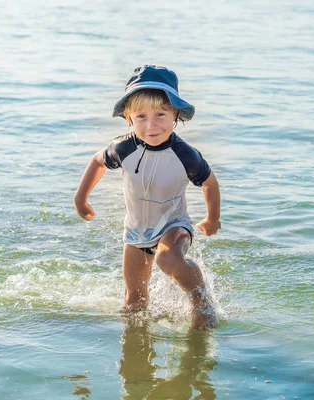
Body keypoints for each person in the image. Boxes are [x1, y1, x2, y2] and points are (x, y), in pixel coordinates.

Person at [74, 65, 220, 330]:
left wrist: (212, 218)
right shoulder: (124, 147)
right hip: (136, 233)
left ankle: (201, 301)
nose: (151, 126)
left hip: (174, 225)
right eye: (141, 116)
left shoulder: (185, 154)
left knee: (167, 259)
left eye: (160, 115)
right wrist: (81, 199)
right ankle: (137, 352)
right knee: (134, 303)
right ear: (129, 118)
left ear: (175, 114)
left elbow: (209, 183)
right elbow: (97, 162)